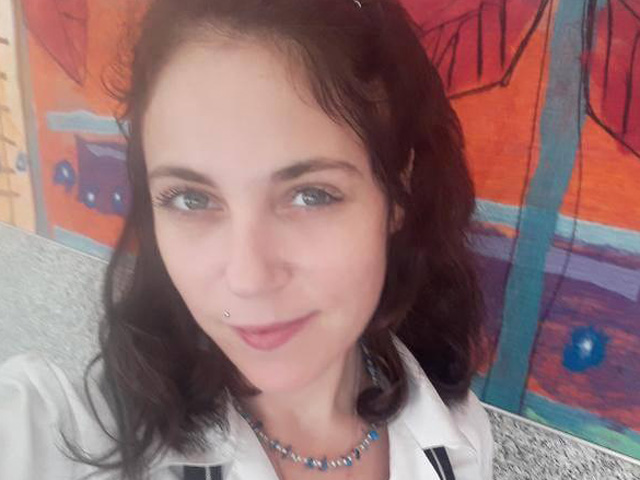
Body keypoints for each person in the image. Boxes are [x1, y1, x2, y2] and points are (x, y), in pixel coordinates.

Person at [0, 0, 494, 478]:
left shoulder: (460, 437)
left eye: (311, 195)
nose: (248, 278)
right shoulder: (61, 434)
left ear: (399, 193)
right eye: (192, 199)